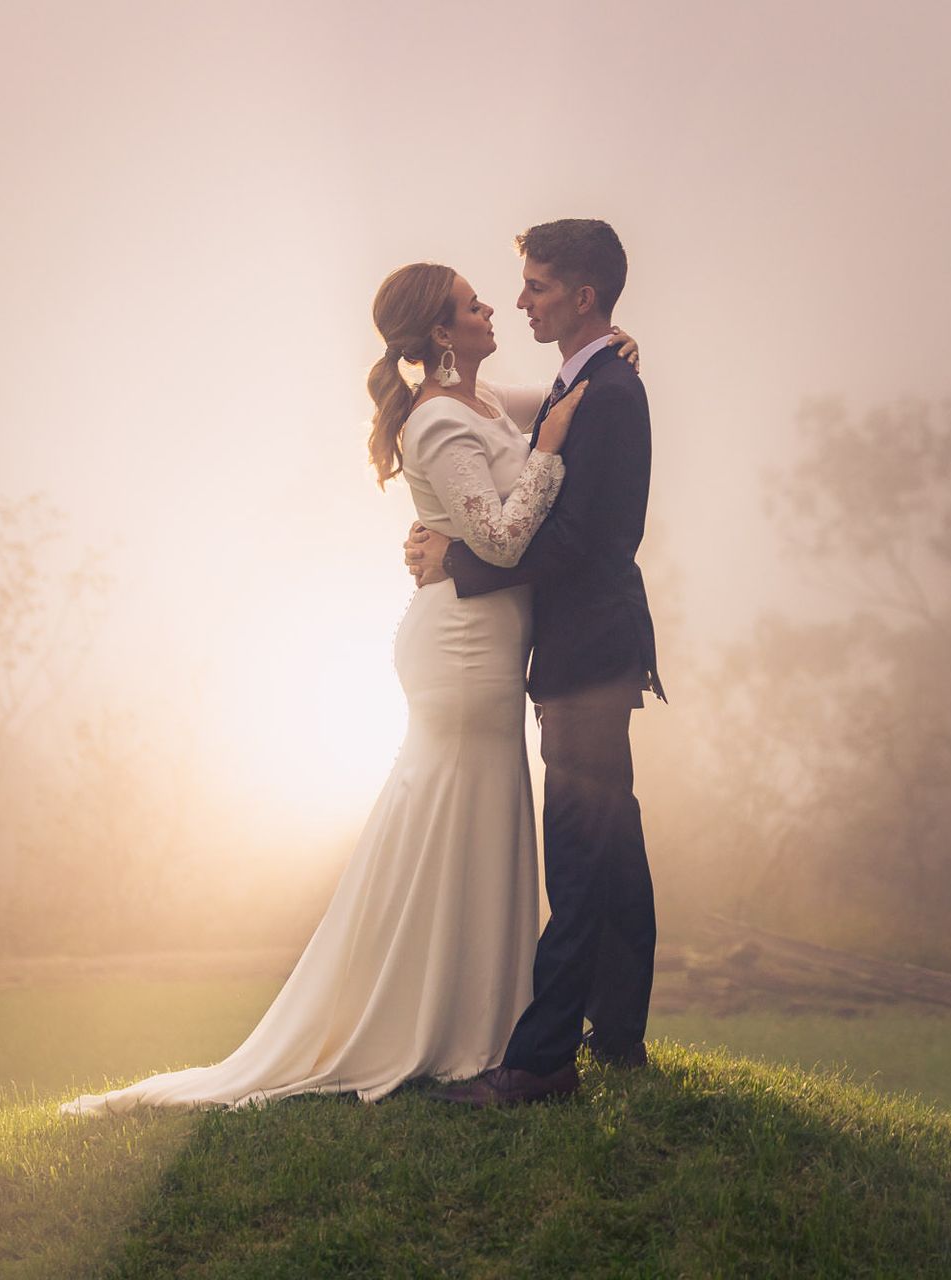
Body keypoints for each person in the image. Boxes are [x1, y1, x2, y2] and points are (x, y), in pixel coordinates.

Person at [58, 259, 629, 1116]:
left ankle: (484, 1016)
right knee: (458, 811)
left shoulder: (477, 402)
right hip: (464, 653)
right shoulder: (437, 420)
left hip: (487, 646)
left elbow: (553, 393)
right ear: (442, 332)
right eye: (474, 304)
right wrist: (546, 453)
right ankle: (436, 1021)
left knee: (482, 815)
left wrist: (609, 347)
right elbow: (506, 540)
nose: (491, 308)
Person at [403, 218, 662, 1108]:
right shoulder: (579, 380)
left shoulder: (610, 394)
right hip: (583, 654)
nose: (519, 301)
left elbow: (585, 540)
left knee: (581, 857)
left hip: (587, 655)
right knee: (612, 847)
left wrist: (461, 563)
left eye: (538, 286)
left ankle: (543, 1060)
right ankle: (618, 1034)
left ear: (582, 296)